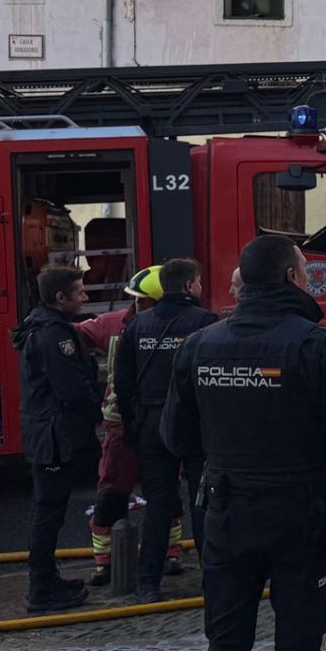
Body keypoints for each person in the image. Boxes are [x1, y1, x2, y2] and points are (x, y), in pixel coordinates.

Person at [163, 235, 326, 651]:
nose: (308, 279)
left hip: (225, 513)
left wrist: (224, 458)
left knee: (224, 649)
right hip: (298, 516)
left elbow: (175, 437)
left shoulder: (200, 346)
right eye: (305, 270)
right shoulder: (320, 346)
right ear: (291, 278)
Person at [116, 257, 218, 603]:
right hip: (195, 424)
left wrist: (134, 426)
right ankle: (214, 579)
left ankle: (148, 583)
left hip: (151, 424)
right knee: (204, 502)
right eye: (200, 283)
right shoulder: (205, 323)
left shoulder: (137, 325)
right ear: (189, 286)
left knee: (159, 505)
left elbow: (123, 383)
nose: (201, 288)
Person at [80, 266, 187, 588]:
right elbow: (75, 334)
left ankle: (171, 554)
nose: (137, 307)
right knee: (112, 490)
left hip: (159, 421)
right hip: (120, 426)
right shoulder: (113, 325)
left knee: (167, 493)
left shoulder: (175, 326)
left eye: (144, 301)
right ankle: (105, 561)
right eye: (135, 301)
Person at [16, 264, 101, 614]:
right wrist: (101, 412)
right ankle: (42, 588)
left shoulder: (44, 327)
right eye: (79, 291)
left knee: (49, 510)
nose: (85, 296)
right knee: (48, 511)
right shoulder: (54, 336)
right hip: (52, 436)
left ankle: (47, 579)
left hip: (46, 432)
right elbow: (71, 389)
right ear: (60, 297)